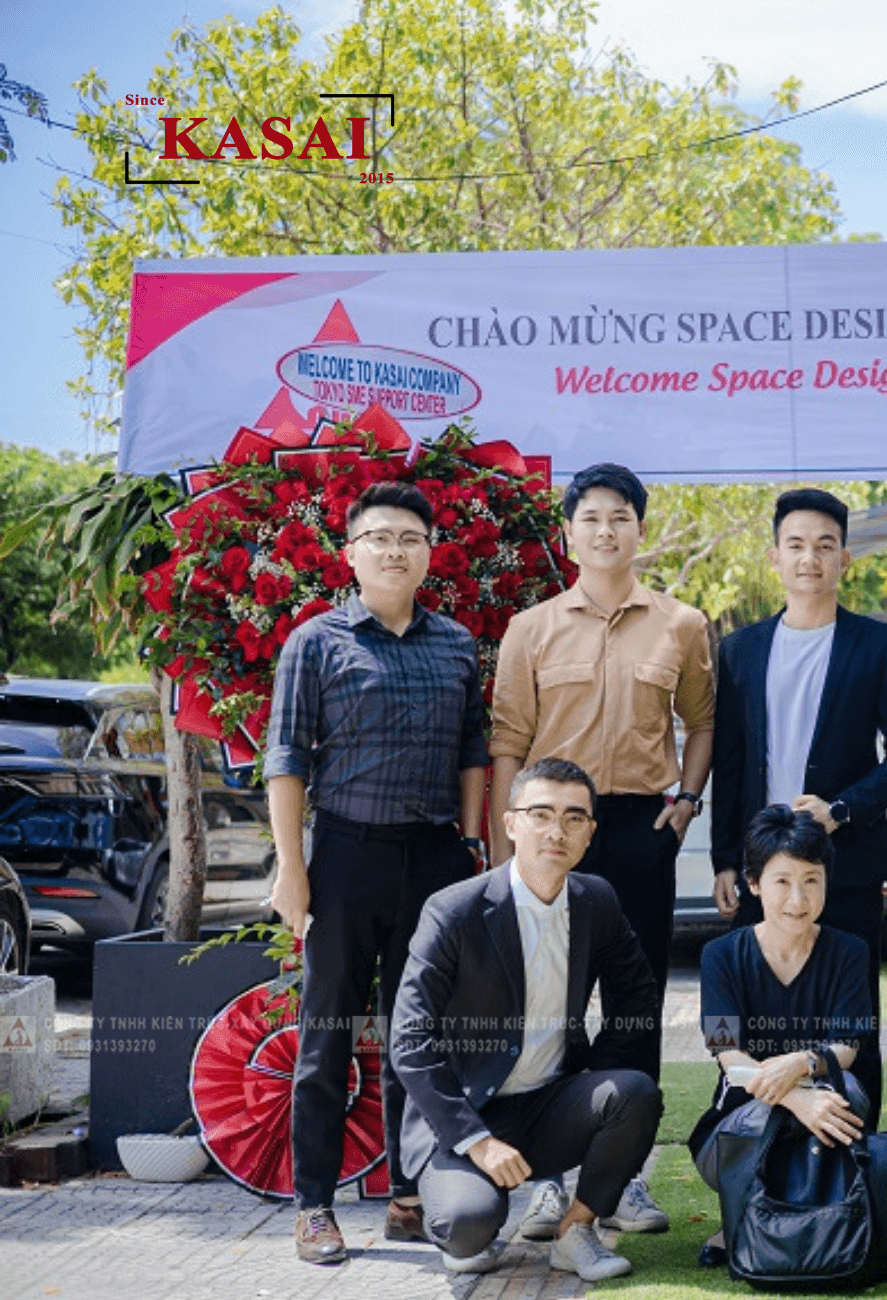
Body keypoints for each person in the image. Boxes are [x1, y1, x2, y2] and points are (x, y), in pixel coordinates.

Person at [265, 478, 489, 1265]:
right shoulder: (316, 642)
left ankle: (406, 1197)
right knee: (326, 1033)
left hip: (435, 858)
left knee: (416, 1034)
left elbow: (473, 750)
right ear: (351, 552)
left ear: (430, 553)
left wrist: (471, 847)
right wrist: (292, 868)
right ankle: (314, 1207)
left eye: (410, 539)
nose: (396, 551)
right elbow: (286, 758)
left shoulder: (456, 643)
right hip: (345, 856)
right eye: (381, 537)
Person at [489, 461, 710, 1238]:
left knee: (634, 1005)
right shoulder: (532, 628)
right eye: (591, 517)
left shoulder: (682, 624)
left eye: (620, 517)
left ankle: (626, 1178)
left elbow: (703, 721)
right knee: (547, 1003)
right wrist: (509, 839)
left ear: (640, 529)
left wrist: (686, 801)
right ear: (569, 532)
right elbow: (508, 741)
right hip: (551, 831)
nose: (606, 530)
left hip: (641, 830)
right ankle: (549, 1181)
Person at [391, 758, 663, 1280]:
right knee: (466, 1229)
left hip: (549, 1106)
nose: (556, 832)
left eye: (573, 818)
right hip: (469, 1113)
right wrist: (477, 1141)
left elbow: (637, 997)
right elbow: (409, 1038)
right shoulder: (454, 910)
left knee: (632, 1093)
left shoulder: (596, 901)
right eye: (540, 814)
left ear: (590, 832)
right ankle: (468, 1210)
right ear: (511, 823)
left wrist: (597, 1071)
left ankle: (574, 1231)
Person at [710, 487, 887, 1115]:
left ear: (844, 559)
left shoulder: (879, 645)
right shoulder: (741, 649)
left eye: (825, 546)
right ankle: (754, 1150)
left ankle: (859, 1157)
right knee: (752, 1020)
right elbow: (730, 760)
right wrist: (726, 859)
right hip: (762, 865)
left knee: (855, 1023)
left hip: (846, 862)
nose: (810, 558)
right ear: (775, 558)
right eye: (797, 545)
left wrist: (841, 809)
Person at [690, 805, 874, 1268]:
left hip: (827, 1113)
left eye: (812, 880)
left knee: (847, 1092)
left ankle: (811, 1213)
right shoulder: (720, 956)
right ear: (754, 883)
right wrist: (795, 1098)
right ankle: (745, 1211)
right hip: (740, 1125)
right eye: (782, 881)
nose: (798, 898)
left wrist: (801, 1064)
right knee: (784, 1115)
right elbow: (728, 1054)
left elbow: (847, 1046)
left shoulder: (850, 952)